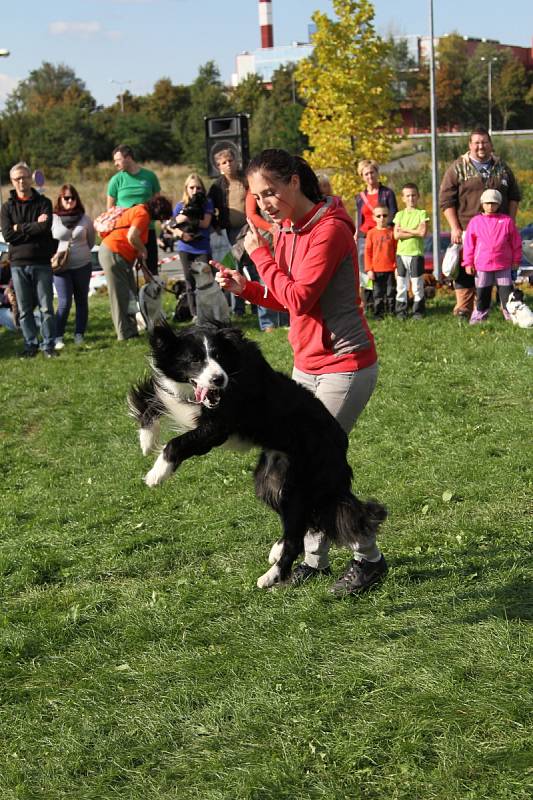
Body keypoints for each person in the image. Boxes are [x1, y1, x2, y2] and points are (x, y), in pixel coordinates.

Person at [214, 148, 387, 596]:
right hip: (306, 365)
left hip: (344, 367)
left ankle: (368, 561)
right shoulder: (289, 230)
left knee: (311, 465)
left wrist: (259, 257)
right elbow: (283, 296)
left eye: (271, 192)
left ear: (295, 182)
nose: (266, 203)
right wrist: (247, 287)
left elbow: (300, 298)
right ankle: (313, 560)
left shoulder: (329, 231)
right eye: (257, 197)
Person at [439, 127, 521, 318]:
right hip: (467, 229)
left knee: (501, 270)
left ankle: (505, 310)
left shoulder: (502, 168)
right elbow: (446, 200)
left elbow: (514, 197)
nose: (480, 146)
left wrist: (511, 222)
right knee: (465, 269)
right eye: (476, 142)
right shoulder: (457, 168)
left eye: (484, 142)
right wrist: (455, 227)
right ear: (470, 145)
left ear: (491, 144)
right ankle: (465, 308)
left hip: (499, 230)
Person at [0, 162, 57, 357]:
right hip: (18, 264)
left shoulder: (44, 203)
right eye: (17, 178)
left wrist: (19, 228)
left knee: (46, 307)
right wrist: (31, 226)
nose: (21, 181)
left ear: (30, 178)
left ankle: (48, 345)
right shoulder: (7, 207)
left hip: (41, 261)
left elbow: (44, 228)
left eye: (24, 177)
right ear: (12, 181)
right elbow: (8, 235)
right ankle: (30, 345)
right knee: (23, 309)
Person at [98, 196, 173, 340]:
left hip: (119, 255)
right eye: (161, 216)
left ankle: (132, 329)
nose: (159, 220)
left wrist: (140, 256)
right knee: (120, 296)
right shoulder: (143, 213)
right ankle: (125, 334)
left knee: (130, 293)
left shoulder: (138, 210)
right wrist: (143, 250)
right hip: (113, 252)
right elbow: (132, 236)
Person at [462, 189, 522, 324]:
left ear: (499, 204)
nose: (490, 206)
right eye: (487, 203)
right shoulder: (475, 221)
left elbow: (516, 242)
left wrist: (516, 260)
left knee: (506, 293)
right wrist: (468, 263)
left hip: (503, 264)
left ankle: (511, 317)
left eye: (494, 203)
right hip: (482, 265)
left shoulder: (507, 221)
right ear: (482, 203)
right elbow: (469, 245)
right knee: (483, 293)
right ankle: (479, 317)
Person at [106, 145, 161, 275]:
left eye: (118, 160)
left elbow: (158, 203)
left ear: (129, 158)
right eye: (114, 161)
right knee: (125, 271)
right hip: (125, 232)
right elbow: (110, 210)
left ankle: (151, 294)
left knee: (151, 270)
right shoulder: (116, 180)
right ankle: (131, 295)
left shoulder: (150, 176)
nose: (115, 164)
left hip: (147, 230)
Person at [51, 184, 95, 349]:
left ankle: (79, 335)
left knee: (81, 300)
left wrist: (80, 252)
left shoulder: (85, 219)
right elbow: (49, 242)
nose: (69, 201)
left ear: (77, 199)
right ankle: (58, 336)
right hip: (60, 268)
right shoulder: (54, 219)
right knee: (64, 302)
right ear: (60, 199)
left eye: (72, 198)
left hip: (82, 265)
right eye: (66, 198)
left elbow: (91, 241)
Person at [207, 148, 249, 316]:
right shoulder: (217, 187)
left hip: (250, 229)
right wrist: (216, 226)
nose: (228, 164)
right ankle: (239, 309)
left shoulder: (245, 180)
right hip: (229, 232)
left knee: (253, 267)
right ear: (219, 167)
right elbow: (210, 209)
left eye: (230, 160)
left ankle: (257, 304)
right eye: (224, 162)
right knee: (234, 268)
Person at [355, 159, 398, 312]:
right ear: (362, 176)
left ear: (377, 173)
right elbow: (359, 217)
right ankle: (370, 303)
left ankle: (388, 304)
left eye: (372, 172)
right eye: (366, 174)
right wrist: (356, 232)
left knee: (386, 271)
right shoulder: (360, 197)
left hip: (383, 236)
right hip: (365, 236)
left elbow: (393, 214)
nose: (370, 176)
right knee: (366, 271)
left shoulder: (387, 193)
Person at [245, 190, 288, 332]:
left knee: (283, 276)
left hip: (283, 234)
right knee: (266, 280)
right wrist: (270, 228)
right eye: (258, 198)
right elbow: (251, 213)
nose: (263, 204)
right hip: (267, 236)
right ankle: (267, 322)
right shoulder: (253, 187)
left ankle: (285, 319)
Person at [172, 174, 214, 319]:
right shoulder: (179, 205)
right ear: (186, 189)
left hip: (202, 246)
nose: (195, 190)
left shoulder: (207, 203)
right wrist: (182, 234)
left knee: (207, 280)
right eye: (192, 187)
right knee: (189, 281)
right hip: (185, 247)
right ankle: (194, 313)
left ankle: (209, 312)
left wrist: (187, 217)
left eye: (198, 187)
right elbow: (172, 225)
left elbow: (205, 223)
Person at [393, 183, 429, 320]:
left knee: (417, 285)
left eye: (413, 195)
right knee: (401, 284)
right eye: (407, 196)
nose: (411, 198)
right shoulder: (399, 215)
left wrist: (405, 230)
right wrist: (414, 231)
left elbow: (422, 233)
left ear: (418, 196)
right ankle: (401, 311)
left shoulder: (422, 213)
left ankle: (418, 311)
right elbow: (396, 235)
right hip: (401, 254)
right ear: (403, 198)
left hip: (416, 254)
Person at [364, 206, 397, 319]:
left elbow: (396, 251)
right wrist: (369, 269)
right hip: (376, 270)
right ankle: (378, 315)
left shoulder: (392, 233)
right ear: (374, 217)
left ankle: (391, 313)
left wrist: (396, 267)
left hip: (390, 270)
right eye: (378, 216)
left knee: (390, 293)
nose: (382, 218)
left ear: (389, 217)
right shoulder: (371, 233)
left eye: (385, 215)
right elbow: (367, 252)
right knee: (378, 294)